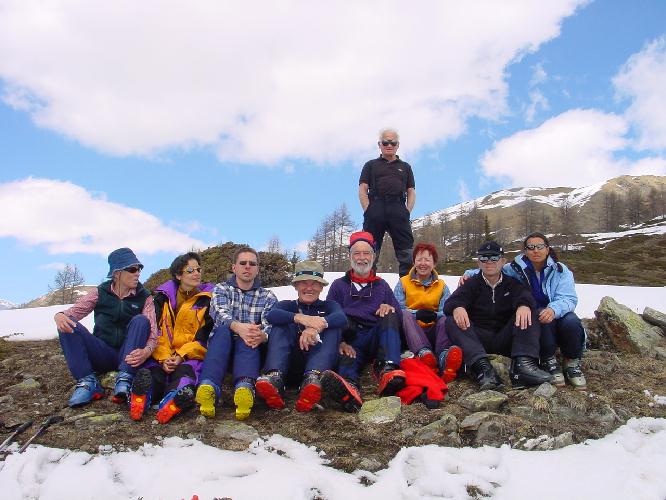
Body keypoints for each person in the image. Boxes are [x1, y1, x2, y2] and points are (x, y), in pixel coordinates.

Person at [463, 233, 586, 389]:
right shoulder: (515, 268)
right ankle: (548, 360)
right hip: (533, 315)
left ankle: (572, 362)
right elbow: (493, 269)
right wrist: (468, 274)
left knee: (572, 322)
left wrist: (553, 309)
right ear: (525, 251)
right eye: (531, 247)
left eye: (540, 246)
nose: (536, 250)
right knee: (537, 317)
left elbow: (569, 298)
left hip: (556, 311)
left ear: (547, 249)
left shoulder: (560, 270)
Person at [54, 248, 158, 407]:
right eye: (132, 269)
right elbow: (74, 312)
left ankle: (125, 378)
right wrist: (59, 315)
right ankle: (87, 382)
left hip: (128, 356)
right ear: (117, 273)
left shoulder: (144, 296)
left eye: (139, 269)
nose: (137, 273)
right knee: (67, 323)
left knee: (141, 321)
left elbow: (153, 331)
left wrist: (146, 351)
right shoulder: (99, 292)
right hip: (102, 352)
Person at [443, 241, 552, 390]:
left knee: (530, 311)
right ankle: (483, 369)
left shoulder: (512, 283)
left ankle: (523, 365)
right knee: (451, 320)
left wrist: (523, 305)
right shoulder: (471, 284)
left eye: (494, 257)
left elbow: (526, 296)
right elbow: (452, 302)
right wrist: (457, 307)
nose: (489, 262)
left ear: (502, 261)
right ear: (479, 263)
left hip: (505, 338)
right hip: (478, 340)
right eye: (484, 258)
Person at [321, 231, 406, 412]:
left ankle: (389, 369)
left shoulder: (382, 285)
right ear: (350, 257)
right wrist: (340, 342)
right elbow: (330, 316)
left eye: (366, 253)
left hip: (376, 337)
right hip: (351, 340)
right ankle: (350, 388)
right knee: (347, 357)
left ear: (373, 256)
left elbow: (399, 317)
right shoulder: (338, 286)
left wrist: (389, 307)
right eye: (356, 253)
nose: (361, 258)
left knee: (390, 314)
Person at [129, 252, 214, 423]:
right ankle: (142, 397)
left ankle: (173, 401)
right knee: (154, 373)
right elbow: (155, 332)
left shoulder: (209, 299)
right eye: (190, 270)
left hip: (189, 356)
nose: (196, 273)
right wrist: (164, 358)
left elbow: (205, 336)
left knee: (186, 374)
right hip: (162, 354)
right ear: (178, 275)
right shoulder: (161, 299)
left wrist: (180, 356)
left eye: (198, 269)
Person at [194, 247, 277, 420]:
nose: (247, 267)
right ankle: (209, 387)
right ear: (234, 267)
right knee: (224, 328)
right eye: (243, 263)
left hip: (250, 350)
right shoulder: (221, 289)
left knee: (251, 333)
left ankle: (244, 388)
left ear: (257, 269)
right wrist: (238, 327)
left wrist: (263, 335)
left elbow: (270, 322)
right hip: (222, 348)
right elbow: (219, 313)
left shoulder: (268, 296)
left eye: (252, 264)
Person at [256, 261, 347, 412]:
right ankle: (275, 377)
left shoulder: (329, 306)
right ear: (296, 286)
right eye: (304, 283)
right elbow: (272, 315)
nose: (309, 288)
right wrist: (301, 318)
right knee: (280, 323)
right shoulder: (286, 305)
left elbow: (341, 318)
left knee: (333, 327)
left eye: (315, 283)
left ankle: (312, 380)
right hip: (289, 364)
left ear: (321, 287)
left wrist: (317, 326)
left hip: (319, 365)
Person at [393, 242, 462, 382]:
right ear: (414, 262)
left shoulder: (441, 285)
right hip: (412, 332)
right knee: (405, 314)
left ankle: (443, 357)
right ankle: (424, 354)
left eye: (427, 260)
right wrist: (416, 314)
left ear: (434, 263)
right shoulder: (403, 282)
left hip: (433, 330)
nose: (423, 263)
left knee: (445, 319)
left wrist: (435, 315)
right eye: (419, 259)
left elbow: (446, 310)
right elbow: (398, 308)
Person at [359, 128, 416, 276]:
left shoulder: (405, 167)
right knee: (369, 251)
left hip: (398, 208)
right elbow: (363, 188)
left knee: (407, 254)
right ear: (379, 144)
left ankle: (407, 287)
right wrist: (368, 210)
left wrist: (406, 212)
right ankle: (367, 286)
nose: (389, 145)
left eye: (393, 142)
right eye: (385, 142)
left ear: (398, 145)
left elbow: (411, 190)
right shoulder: (370, 165)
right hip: (375, 207)